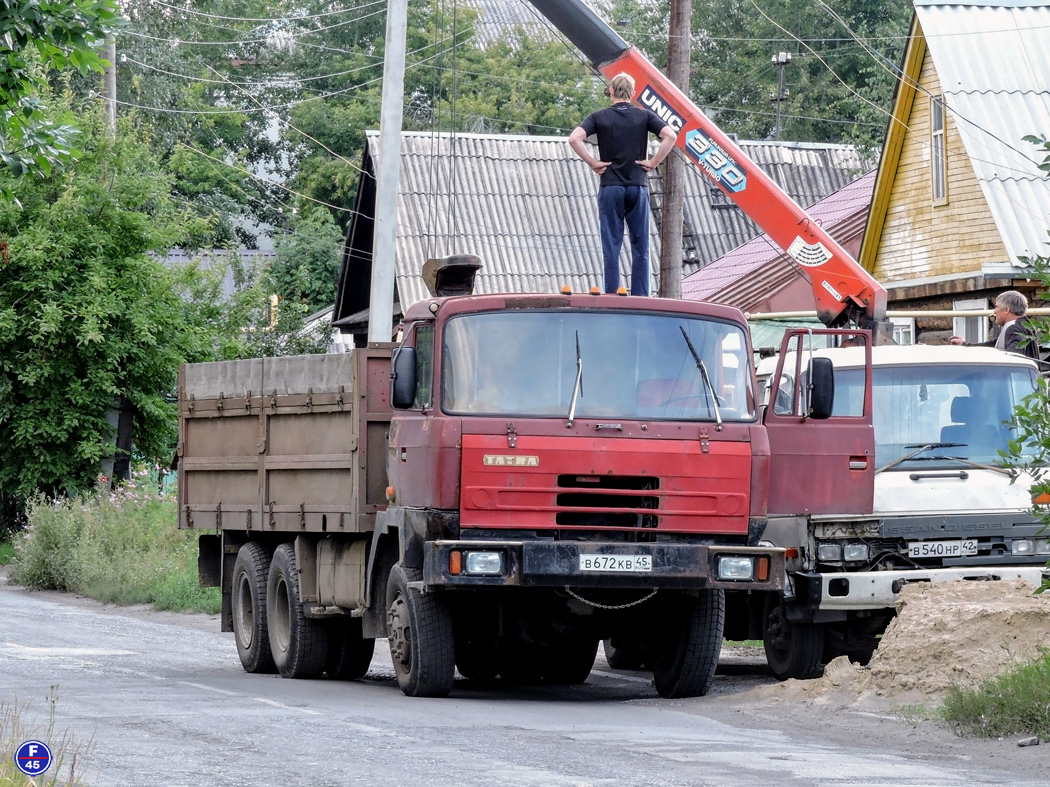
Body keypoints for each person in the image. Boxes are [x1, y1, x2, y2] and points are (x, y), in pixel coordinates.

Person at [568, 73, 677, 296]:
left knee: (612, 247)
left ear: (610, 91)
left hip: (610, 187)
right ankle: (641, 296)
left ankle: (611, 295)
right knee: (641, 247)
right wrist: (654, 162)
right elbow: (671, 136)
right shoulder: (644, 116)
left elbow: (574, 138)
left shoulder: (598, 117)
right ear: (633, 92)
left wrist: (593, 163)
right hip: (637, 186)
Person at [949, 290, 1040, 360]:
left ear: (1006, 310)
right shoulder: (1022, 325)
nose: (994, 311)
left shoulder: (1014, 328)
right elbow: (993, 345)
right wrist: (965, 345)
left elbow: (1014, 358)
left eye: (997, 307)